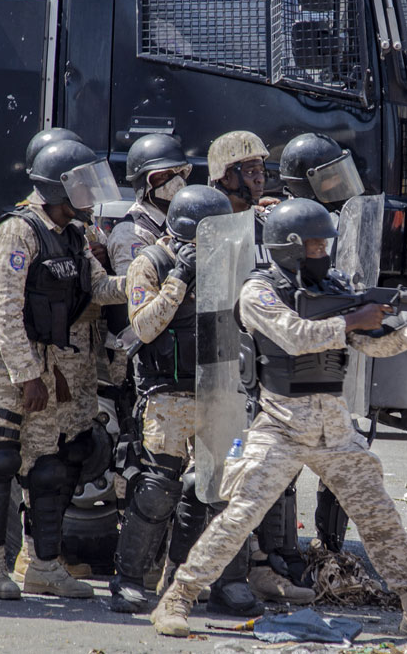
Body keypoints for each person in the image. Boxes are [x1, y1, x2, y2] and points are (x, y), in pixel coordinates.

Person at [149, 198, 407, 638]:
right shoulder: (258, 291)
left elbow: (376, 347)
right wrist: (353, 318)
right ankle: (178, 598)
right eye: (316, 246)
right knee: (239, 514)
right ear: (290, 248)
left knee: (380, 516)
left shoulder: (333, 289)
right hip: (280, 424)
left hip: (334, 427)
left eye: (325, 245)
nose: (325, 253)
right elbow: (296, 337)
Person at [0, 139, 126, 600]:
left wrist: (148, 282)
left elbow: (98, 288)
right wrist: (27, 375)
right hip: (11, 364)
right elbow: (3, 310)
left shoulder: (74, 235)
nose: (89, 194)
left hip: (47, 363)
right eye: (82, 185)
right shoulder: (18, 232)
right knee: (0, 461)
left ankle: (42, 566)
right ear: (58, 188)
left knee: (48, 469)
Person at [110, 185, 261, 617]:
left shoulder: (230, 264)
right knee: (158, 489)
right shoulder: (151, 262)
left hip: (220, 392)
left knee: (224, 490)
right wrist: (180, 277)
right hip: (168, 395)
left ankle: (226, 582)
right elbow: (144, 327)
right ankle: (129, 580)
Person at [107, 133, 191, 275]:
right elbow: (134, 287)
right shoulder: (131, 231)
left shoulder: (182, 217)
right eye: (164, 175)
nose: (177, 181)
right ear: (144, 182)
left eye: (180, 172)